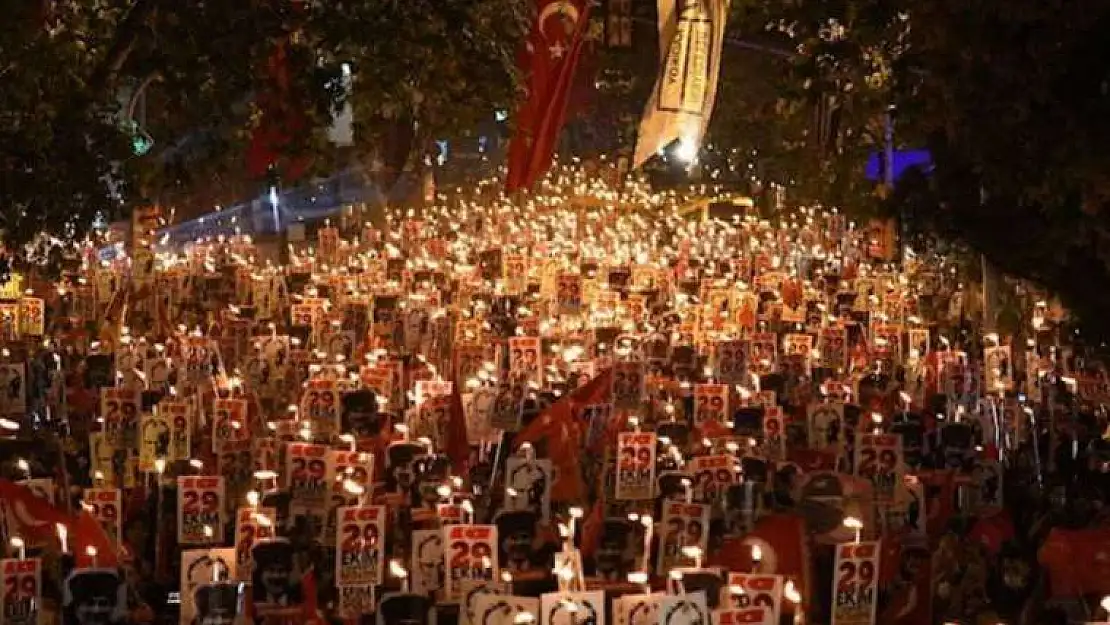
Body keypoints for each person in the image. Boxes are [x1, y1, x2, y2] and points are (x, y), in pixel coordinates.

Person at [251, 539, 301, 612]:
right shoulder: (251, 603)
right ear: (260, 573)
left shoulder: (299, 602)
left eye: (281, 571)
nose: (276, 576)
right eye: (271, 570)